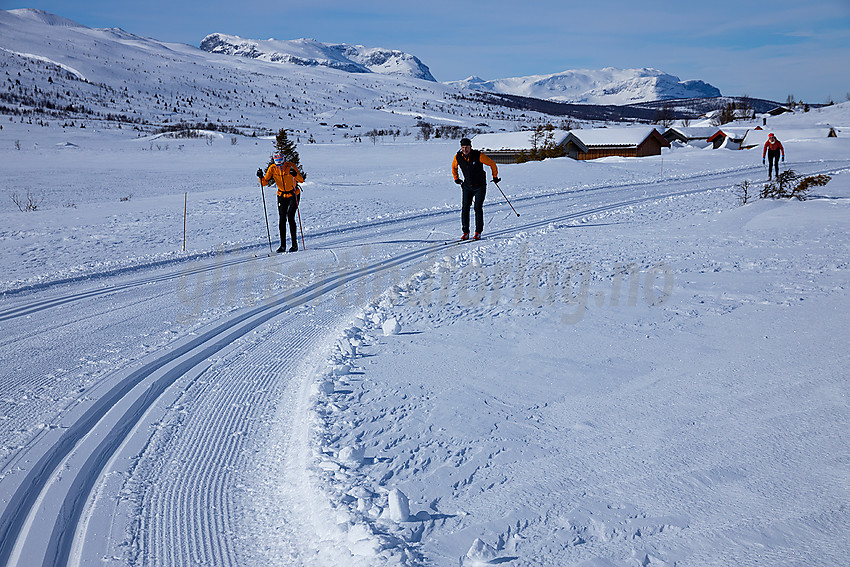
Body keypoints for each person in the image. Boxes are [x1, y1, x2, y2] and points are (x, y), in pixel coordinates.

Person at [451, 138, 500, 240]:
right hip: (467, 186)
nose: (465, 149)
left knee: (477, 208)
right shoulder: (458, 157)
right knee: (465, 208)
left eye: (467, 147)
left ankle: (478, 232)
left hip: (480, 186)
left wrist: (495, 177)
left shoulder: (479, 155)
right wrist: (456, 178)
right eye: (463, 147)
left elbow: (492, 164)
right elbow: (454, 167)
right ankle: (465, 232)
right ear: (461, 147)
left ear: (470, 147)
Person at [257, 153, 305, 252]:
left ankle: (294, 245)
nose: (280, 167)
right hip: (281, 195)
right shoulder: (272, 168)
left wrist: (295, 174)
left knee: (291, 217)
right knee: (282, 219)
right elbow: (264, 182)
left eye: (281, 164)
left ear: (284, 161)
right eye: (278, 165)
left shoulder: (291, 166)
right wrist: (260, 177)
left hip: (293, 194)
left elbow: (301, 180)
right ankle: (282, 246)